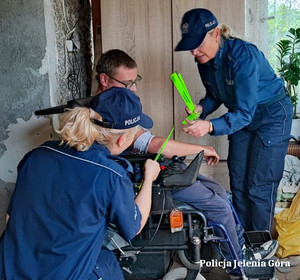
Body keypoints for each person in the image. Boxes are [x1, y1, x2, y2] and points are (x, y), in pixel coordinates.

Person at [94, 49, 279, 277]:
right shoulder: (102, 113)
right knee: (219, 207)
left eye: (136, 81)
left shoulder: (117, 103)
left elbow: (149, 142)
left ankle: (239, 248)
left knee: (218, 190)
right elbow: (153, 143)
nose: (134, 89)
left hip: (156, 167)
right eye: (127, 83)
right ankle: (239, 265)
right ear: (104, 79)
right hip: (146, 177)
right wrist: (203, 147)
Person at [0, 87, 160, 280]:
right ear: (123, 139)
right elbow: (133, 227)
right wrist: (149, 178)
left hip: (8, 270)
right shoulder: (111, 175)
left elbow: (11, 218)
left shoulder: (37, 155)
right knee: (108, 262)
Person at [174, 8, 293, 232]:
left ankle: (260, 247)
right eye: (191, 45)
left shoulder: (243, 56)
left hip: (272, 115)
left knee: (258, 185)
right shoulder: (204, 61)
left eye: (199, 44)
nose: (194, 52)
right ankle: (242, 241)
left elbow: (245, 113)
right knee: (238, 182)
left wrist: (209, 126)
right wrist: (202, 108)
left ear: (216, 34)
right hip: (240, 116)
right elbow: (215, 94)